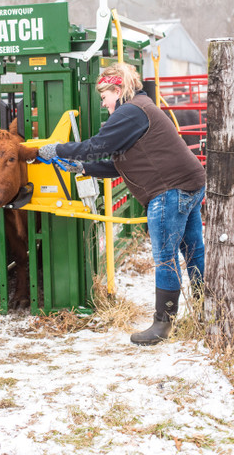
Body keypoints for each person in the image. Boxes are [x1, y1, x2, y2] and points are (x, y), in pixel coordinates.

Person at [38, 62, 205, 346]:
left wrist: (55, 149)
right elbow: (122, 164)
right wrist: (82, 168)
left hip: (169, 191)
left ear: (117, 90)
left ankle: (163, 324)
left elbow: (97, 145)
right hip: (190, 183)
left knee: (165, 257)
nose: (103, 104)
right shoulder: (141, 108)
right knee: (192, 250)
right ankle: (207, 309)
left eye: (104, 96)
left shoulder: (130, 111)